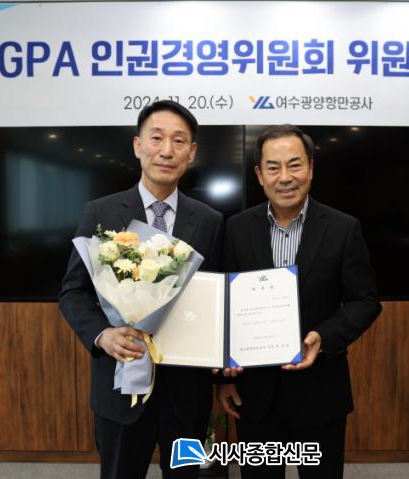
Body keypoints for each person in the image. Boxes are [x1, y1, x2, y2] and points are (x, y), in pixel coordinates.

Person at [59, 100, 223, 479]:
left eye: (178, 141)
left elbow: (215, 297)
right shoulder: (100, 213)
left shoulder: (211, 221)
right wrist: (103, 335)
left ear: (191, 152)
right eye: (156, 138)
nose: (166, 150)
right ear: (138, 145)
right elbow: (73, 291)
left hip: (187, 392)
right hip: (120, 386)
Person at [217, 124, 381, 478]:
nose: (285, 177)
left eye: (294, 165)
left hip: (320, 390)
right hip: (254, 393)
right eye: (273, 167)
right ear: (259, 175)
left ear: (311, 168)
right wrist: (224, 379)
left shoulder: (343, 228)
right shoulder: (236, 228)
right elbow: (224, 306)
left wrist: (323, 337)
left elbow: (365, 301)